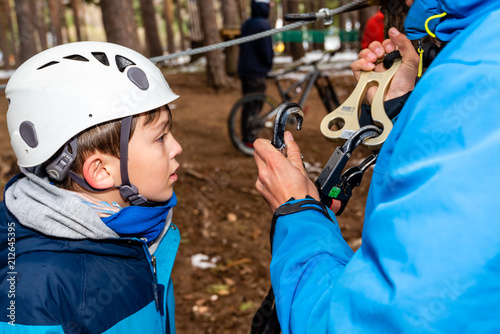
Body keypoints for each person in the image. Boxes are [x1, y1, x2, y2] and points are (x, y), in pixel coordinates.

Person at [252, 0, 500, 332]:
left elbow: (378, 323)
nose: (407, 2)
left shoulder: (477, 68)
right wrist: (400, 108)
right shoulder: (477, 47)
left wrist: (298, 215)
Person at [0, 42, 183, 333]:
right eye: (160, 137)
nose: (177, 147)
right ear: (101, 172)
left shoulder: (139, 238)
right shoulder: (32, 295)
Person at [237, 0, 274, 147]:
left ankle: (245, 136)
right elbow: (266, 50)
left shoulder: (247, 23)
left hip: (245, 70)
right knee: (255, 105)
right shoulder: (263, 25)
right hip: (256, 71)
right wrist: (268, 64)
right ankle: (249, 138)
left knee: (247, 104)